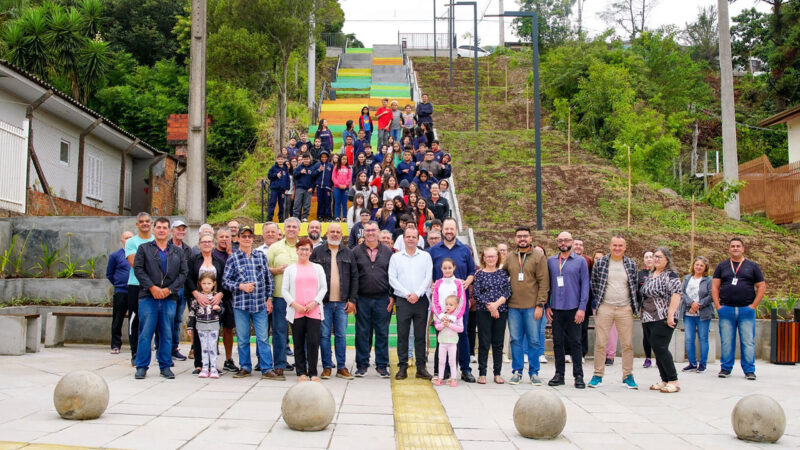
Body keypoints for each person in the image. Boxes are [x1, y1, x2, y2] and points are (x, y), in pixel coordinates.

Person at [222, 226, 281, 380]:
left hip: (259, 304)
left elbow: (268, 279)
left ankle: (267, 368)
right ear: (239, 238)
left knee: (262, 338)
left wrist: (269, 298)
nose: (247, 239)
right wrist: (240, 286)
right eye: (244, 236)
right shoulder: (233, 258)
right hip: (241, 304)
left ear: (253, 238)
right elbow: (225, 281)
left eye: (249, 236)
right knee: (242, 338)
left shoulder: (260, 256)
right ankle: (245, 367)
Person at [132, 217, 188, 380]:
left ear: (169, 231)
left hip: (169, 298)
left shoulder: (177, 251)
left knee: (167, 333)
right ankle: (141, 366)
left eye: (165, 227)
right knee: (145, 333)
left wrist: (169, 289)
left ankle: (165, 366)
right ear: (154, 230)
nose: (162, 230)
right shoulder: (144, 249)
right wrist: (152, 287)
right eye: (159, 227)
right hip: (148, 297)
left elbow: (183, 273)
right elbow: (138, 269)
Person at [588, 236, 640, 389]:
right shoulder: (601, 263)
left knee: (627, 344)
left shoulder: (630, 264)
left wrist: (632, 306)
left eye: (620, 246)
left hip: (624, 308)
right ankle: (597, 375)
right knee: (600, 343)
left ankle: (628, 375)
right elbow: (595, 283)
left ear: (625, 247)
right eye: (615, 245)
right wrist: (600, 302)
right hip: (605, 307)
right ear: (610, 246)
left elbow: (635, 286)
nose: (617, 248)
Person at [428, 218, 476, 382]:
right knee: (442, 335)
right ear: (442, 230)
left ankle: (465, 369)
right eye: (446, 228)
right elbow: (428, 274)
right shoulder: (434, 251)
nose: (449, 231)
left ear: (456, 230)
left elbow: (472, 272)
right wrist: (431, 284)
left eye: (452, 228)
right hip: (440, 304)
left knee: (462, 335)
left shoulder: (464, 250)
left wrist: (467, 282)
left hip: (459, 304)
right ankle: (444, 371)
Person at [712, 238, 765, 380]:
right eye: (732, 246)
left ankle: (749, 370)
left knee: (748, 341)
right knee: (727, 341)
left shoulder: (752, 266)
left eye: (738, 246)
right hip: (726, 310)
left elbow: (761, 286)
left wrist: (753, 306)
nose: (735, 248)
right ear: (729, 249)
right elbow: (715, 287)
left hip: (746, 311)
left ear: (743, 249)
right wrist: (718, 306)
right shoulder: (722, 266)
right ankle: (725, 369)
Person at [310, 223, 357, 380]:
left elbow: (355, 277)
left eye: (338, 232)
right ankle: (327, 367)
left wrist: (352, 300)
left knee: (341, 335)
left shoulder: (348, 253)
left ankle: (342, 367)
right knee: (323, 335)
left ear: (342, 234)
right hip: (324, 303)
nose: (335, 234)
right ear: (326, 233)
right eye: (332, 232)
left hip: (343, 302)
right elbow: (311, 277)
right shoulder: (317, 252)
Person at [504, 226, 549, 385]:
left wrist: (540, 304)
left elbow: (544, 282)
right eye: (519, 236)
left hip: (532, 307)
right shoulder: (510, 257)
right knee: (515, 339)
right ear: (515, 239)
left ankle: (534, 372)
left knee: (534, 340)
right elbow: (503, 278)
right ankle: (517, 371)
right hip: (513, 307)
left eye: (525, 236)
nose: (522, 239)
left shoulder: (538, 257)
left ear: (530, 238)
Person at [545, 232, 590, 389]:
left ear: (572, 241)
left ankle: (578, 375)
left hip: (574, 308)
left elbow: (585, 285)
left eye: (566, 240)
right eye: (560, 240)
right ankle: (559, 374)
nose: (563, 243)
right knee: (558, 342)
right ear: (557, 242)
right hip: (556, 308)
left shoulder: (580, 262)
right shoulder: (550, 261)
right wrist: (547, 306)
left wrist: (582, 308)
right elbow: (547, 285)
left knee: (576, 342)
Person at [389, 227, 434, 380]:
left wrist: (418, 293)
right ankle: (402, 367)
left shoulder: (425, 256)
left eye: (413, 237)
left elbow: (428, 277)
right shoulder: (396, 257)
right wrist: (407, 294)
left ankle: (421, 367)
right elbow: (392, 278)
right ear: (403, 239)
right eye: (407, 236)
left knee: (420, 335)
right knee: (402, 334)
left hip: (421, 300)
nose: (410, 239)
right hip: (403, 300)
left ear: (418, 239)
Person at [352, 221, 394, 378]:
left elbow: (392, 276)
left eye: (373, 230)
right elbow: (353, 276)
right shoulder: (355, 251)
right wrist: (353, 299)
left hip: (383, 298)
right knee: (362, 332)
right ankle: (362, 365)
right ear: (363, 232)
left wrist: (392, 296)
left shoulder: (388, 252)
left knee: (382, 332)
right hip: (362, 298)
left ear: (378, 232)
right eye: (367, 230)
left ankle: (382, 365)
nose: (370, 233)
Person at [281, 238, 327, 382]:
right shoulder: (290, 269)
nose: (304, 252)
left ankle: (313, 372)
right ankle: (301, 372)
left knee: (313, 342)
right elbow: (284, 290)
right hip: (297, 311)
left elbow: (323, 288)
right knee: (298, 342)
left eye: (307, 249)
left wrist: (315, 302)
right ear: (297, 250)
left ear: (311, 251)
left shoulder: (317, 268)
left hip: (314, 310)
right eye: (301, 249)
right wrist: (295, 305)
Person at [640, 247, 682, 393]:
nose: (656, 259)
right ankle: (664, 379)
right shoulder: (651, 274)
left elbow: (676, 294)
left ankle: (673, 380)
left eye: (659, 257)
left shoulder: (671, 275)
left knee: (661, 347)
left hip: (663, 316)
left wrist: (671, 315)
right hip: (649, 317)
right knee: (656, 349)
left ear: (667, 259)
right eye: (654, 256)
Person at [186, 232, 229, 374]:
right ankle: (199, 364)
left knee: (213, 332)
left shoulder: (218, 261)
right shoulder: (193, 260)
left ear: (213, 244)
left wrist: (220, 295)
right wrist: (196, 294)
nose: (207, 244)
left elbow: (224, 280)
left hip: (215, 300)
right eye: (204, 242)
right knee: (199, 332)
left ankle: (213, 364)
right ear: (199, 244)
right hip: (197, 299)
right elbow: (188, 278)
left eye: (209, 241)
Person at [267, 218, 302, 377]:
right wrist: (278, 270)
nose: (291, 229)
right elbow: (266, 271)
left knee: (300, 333)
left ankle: (302, 364)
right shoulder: (275, 247)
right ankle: (280, 364)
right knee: (280, 332)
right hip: (280, 297)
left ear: (299, 230)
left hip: (300, 298)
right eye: (288, 226)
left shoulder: (304, 247)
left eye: (294, 227)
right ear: (284, 228)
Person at [473, 247, 509, 384]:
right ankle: (482, 373)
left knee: (498, 343)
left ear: (497, 258)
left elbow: (507, 291)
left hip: (501, 311)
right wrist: (490, 306)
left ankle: (497, 373)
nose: (490, 259)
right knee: (484, 342)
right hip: (484, 311)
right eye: (488, 256)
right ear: (483, 258)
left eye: (493, 256)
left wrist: (497, 305)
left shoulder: (502, 274)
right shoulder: (480, 274)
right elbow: (477, 294)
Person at [125, 212, 154, 366]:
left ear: (151, 223)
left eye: (147, 221)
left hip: (155, 287)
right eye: (141, 221)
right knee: (135, 320)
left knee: (154, 320)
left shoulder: (157, 240)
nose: (144, 224)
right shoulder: (131, 242)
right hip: (136, 285)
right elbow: (135, 264)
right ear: (137, 224)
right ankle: (135, 352)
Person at [680, 256, 713, 373]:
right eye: (697, 264)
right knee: (689, 339)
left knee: (703, 339)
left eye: (701, 265)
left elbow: (711, 295)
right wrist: (692, 303)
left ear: (705, 268)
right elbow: (682, 292)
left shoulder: (709, 280)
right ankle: (692, 363)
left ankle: (702, 364)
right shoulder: (687, 278)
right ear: (693, 265)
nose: (698, 267)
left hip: (703, 314)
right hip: (688, 313)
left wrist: (698, 305)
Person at [191, 272, 224, 378]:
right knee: (204, 347)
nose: (206, 286)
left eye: (209, 283)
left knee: (213, 347)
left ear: (214, 284)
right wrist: (190, 326)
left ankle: (213, 368)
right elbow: (192, 313)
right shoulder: (197, 299)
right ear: (200, 284)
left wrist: (218, 309)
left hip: (213, 325)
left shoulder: (216, 297)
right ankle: (205, 368)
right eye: (204, 283)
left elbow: (223, 310)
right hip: (201, 326)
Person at [167, 220, 191, 362]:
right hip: (169, 290)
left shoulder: (187, 249)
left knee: (177, 320)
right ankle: (162, 348)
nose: (181, 231)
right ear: (172, 231)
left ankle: (174, 348)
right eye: (178, 229)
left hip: (182, 290)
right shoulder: (166, 246)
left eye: (183, 229)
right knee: (165, 319)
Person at [107, 231, 134, 354]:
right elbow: (109, 274)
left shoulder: (137, 254)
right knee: (117, 319)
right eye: (126, 238)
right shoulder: (115, 256)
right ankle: (115, 345)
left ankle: (134, 345)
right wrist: (119, 284)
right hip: (121, 292)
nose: (128, 239)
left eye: (131, 238)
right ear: (122, 240)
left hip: (135, 291)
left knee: (134, 320)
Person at [433, 295, 464, 387]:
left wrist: (449, 325)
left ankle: (453, 379)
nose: (448, 306)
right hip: (442, 342)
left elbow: (461, 329)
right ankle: (440, 378)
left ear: (456, 306)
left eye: (451, 305)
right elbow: (437, 327)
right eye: (446, 304)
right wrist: (443, 324)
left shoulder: (457, 317)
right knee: (441, 361)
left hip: (452, 342)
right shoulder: (442, 316)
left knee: (452, 361)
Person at [638, 251, 655, 368]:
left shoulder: (660, 273)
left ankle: (659, 357)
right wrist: (638, 307)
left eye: (651, 257)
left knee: (658, 335)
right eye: (646, 257)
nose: (649, 259)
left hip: (659, 310)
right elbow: (637, 292)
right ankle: (648, 358)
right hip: (645, 309)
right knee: (647, 334)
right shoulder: (640, 274)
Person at [267, 154, 289, 222]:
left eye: (281, 159)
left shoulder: (285, 169)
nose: (280, 160)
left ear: (284, 160)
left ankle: (281, 218)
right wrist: (276, 175)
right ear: (276, 159)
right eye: (279, 159)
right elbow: (269, 176)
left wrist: (287, 188)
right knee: (272, 203)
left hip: (282, 190)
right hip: (274, 189)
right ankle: (270, 217)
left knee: (281, 205)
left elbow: (288, 180)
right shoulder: (273, 168)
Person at [293, 154, 314, 222]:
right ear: (302, 160)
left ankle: (305, 218)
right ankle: (295, 218)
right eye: (304, 159)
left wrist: (312, 187)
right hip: (300, 188)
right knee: (297, 204)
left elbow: (314, 178)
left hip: (308, 189)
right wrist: (300, 172)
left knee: (307, 204)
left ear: (309, 159)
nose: (306, 160)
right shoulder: (299, 167)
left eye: (307, 159)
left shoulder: (312, 167)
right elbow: (295, 176)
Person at [313, 151, 334, 221]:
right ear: (320, 157)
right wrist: (319, 170)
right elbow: (313, 174)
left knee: (328, 202)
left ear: (327, 157)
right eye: (322, 157)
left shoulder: (330, 166)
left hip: (327, 187)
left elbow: (332, 176)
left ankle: (328, 216)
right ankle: (320, 216)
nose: (324, 158)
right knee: (320, 202)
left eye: (325, 157)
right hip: (319, 187)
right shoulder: (317, 165)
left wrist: (332, 186)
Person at [332, 155, 351, 222]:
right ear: (340, 159)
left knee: (344, 203)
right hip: (337, 188)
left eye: (346, 159)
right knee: (337, 202)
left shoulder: (348, 168)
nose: (344, 160)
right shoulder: (336, 167)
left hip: (345, 188)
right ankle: (337, 217)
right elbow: (333, 177)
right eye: (343, 159)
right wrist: (338, 184)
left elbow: (349, 178)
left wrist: (345, 185)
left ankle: (345, 217)